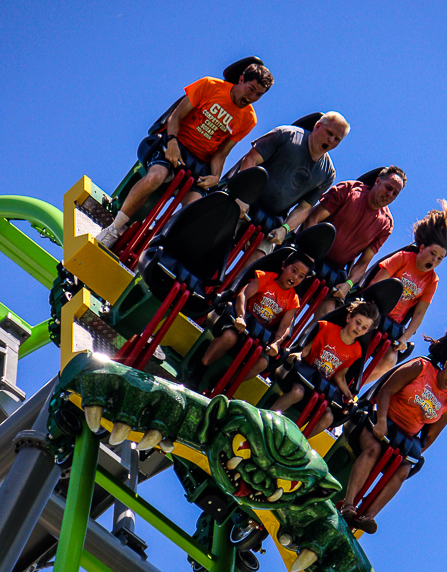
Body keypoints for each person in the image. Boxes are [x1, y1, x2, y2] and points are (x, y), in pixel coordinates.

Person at [340, 310, 447, 534]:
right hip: (377, 420)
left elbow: (427, 439)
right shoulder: (421, 368)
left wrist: (408, 452)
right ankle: (348, 505)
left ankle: (367, 517)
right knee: (372, 448)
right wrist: (380, 421)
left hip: (400, 439)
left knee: (403, 468)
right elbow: (386, 389)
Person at [97, 63, 274, 248]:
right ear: (241, 80)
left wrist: (215, 176)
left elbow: (221, 153)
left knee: (194, 210)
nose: (252, 97)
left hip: (198, 163)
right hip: (173, 144)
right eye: (251, 89)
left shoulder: (248, 119)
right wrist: (172, 142)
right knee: (156, 176)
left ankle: (149, 240)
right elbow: (176, 116)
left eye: (258, 95)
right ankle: (114, 229)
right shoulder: (209, 85)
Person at [364, 200, 447, 383]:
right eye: (433, 254)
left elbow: (419, 314)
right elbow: (377, 282)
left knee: (390, 359)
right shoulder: (404, 258)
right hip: (373, 312)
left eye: (440, 258)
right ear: (422, 248)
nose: (435, 260)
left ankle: (354, 385)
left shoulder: (432, 281)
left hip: (391, 326)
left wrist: (404, 338)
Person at [187, 252, 314, 390]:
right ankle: (200, 369)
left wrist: (276, 343)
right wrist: (241, 316)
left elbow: (285, 326)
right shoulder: (265, 278)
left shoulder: (293, 299)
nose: (294, 277)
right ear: (284, 266)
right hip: (238, 325)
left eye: (300, 276)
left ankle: (224, 384)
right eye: (293, 271)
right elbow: (243, 294)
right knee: (230, 337)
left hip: (257, 338)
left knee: (262, 363)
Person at [238, 112, 350, 263]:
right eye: (329, 133)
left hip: (272, 220)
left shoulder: (327, 173)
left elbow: (304, 207)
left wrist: (284, 229)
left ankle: (234, 286)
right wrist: (243, 195)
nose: (331, 140)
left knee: (260, 258)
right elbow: (250, 160)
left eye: (337, 139)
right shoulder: (287, 135)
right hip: (244, 201)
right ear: (317, 126)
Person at [301, 166, 407, 318]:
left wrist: (348, 285)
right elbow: (313, 219)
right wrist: (308, 254)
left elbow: (363, 263)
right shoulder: (349, 190)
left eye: (395, 193)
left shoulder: (385, 225)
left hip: (334, 272)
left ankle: (306, 341)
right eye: (388, 188)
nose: (389, 194)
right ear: (377, 181)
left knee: (330, 314)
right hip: (309, 254)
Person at [270, 301, 379, 437]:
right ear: (348, 318)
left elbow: (339, 375)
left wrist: (349, 396)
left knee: (328, 416)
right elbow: (305, 350)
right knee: (298, 392)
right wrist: (296, 354)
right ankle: (267, 418)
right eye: (358, 322)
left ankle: (299, 441)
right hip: (303, 379)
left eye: (364, 327)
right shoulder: (326, 328)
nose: (359, 328)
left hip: (319, 389)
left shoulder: (356, 351)